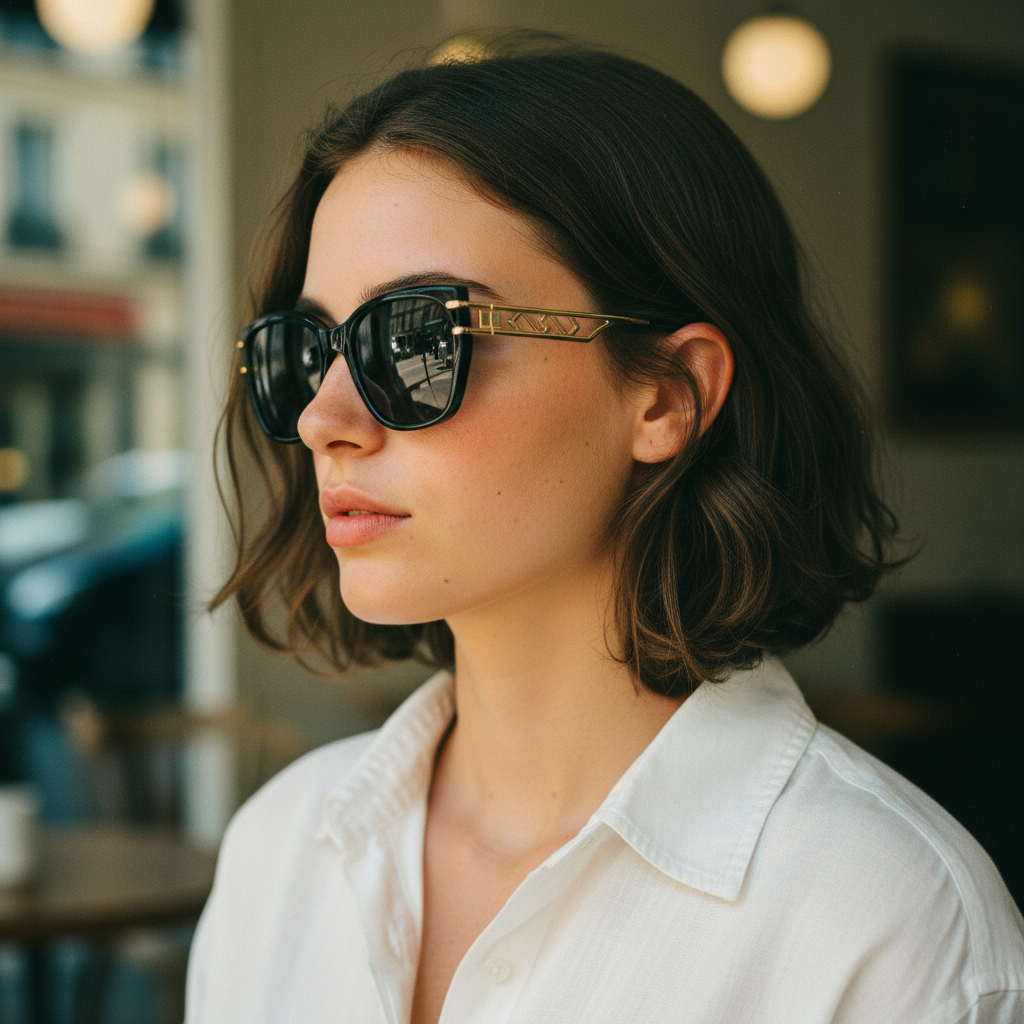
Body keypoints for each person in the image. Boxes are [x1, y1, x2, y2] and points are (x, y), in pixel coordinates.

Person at [185, 35, 1024, 1024]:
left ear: (667, 396)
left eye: (414, 341)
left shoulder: (886, 926)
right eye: (307, 348)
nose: (325, 417)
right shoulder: (279, 849)